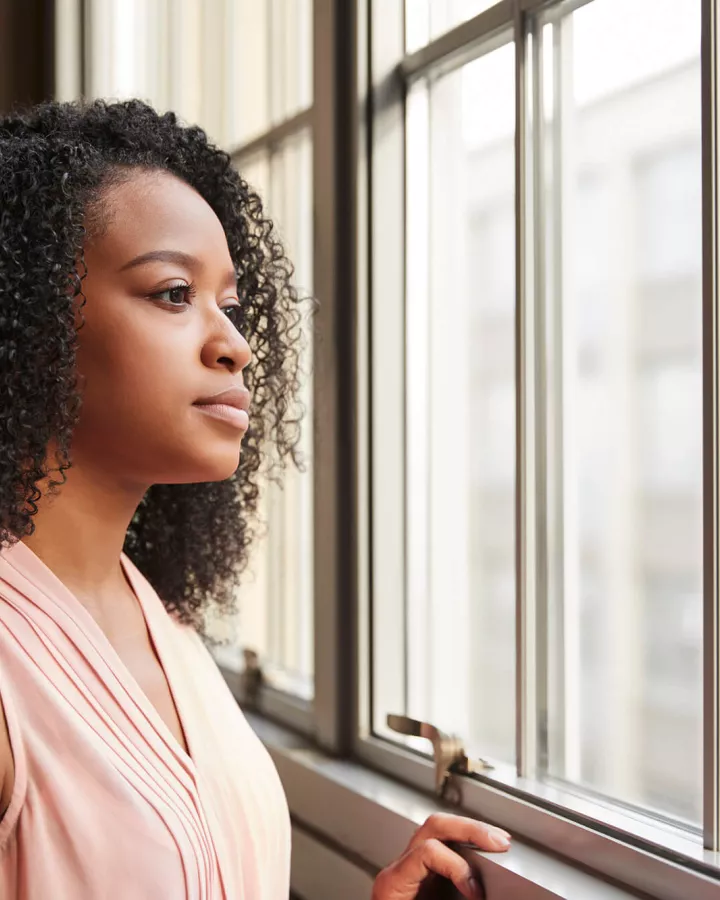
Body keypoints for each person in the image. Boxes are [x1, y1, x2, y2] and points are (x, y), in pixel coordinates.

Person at [0, 99, 511, 899]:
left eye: (231, 307)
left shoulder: (160, 622)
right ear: (27, 318)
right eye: (173, 293)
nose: (234, 343)